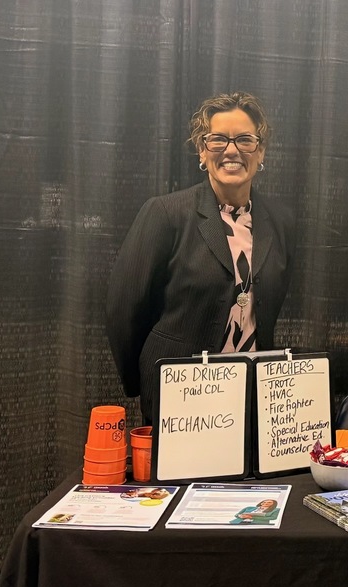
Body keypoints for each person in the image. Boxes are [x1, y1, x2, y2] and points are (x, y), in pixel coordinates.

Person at [106, 92, 296, 423]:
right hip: (181, 396)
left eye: (245, 140)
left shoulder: (280, 222)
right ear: (202, 151)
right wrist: (144, 382)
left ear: (261, 151)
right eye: (218, 140)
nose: (232, 150)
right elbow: (124, 309)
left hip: (253, 392)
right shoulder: (165, 214)